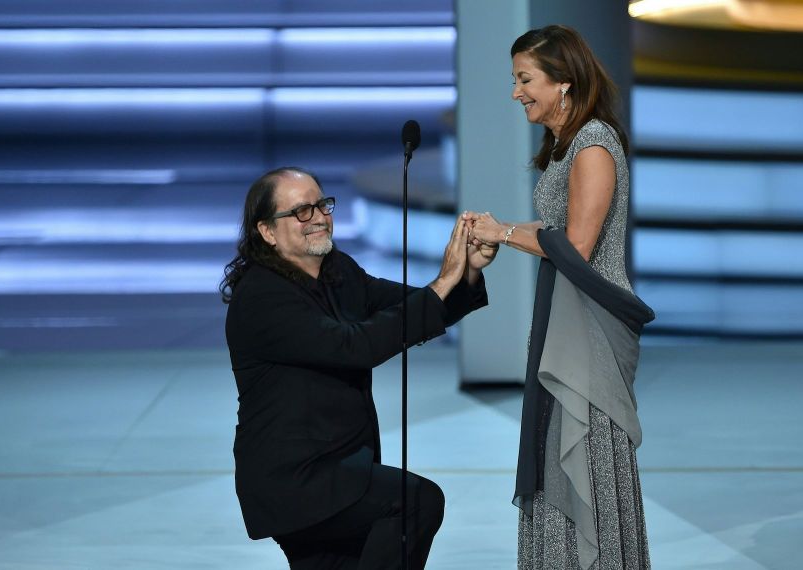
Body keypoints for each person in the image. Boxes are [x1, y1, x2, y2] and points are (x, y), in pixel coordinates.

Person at [221, 166, 496, 569]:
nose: (318, 217)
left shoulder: (339, 271)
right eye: (301, 211)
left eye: (321, 205)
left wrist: (467, 271)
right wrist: (442, 283)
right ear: (267, 231)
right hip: (297, 481)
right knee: (415, 502)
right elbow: (353, 346)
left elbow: (416, 306)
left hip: (342, 469)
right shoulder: (261, 298)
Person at [466, 25, 656, 570]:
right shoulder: (566, 147)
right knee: (558, 450)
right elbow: (558, 229)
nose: (515, 92)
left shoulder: (594, 145)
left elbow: (575, 246)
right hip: (564, 319)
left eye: (525, 79)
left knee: (582, 452)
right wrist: (497, 228)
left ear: (564, 83)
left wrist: (503, 233)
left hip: (590, 330)